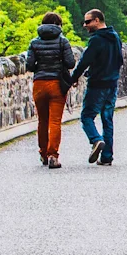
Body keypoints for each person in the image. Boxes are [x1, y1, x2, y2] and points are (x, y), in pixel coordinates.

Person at [24, 12, 77, 168]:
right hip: (56, 84)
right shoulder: (62, 41)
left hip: (39, 83)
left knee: (42, 121)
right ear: (58, 25)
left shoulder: (34, 43)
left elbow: (29, 66)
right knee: (55, 121)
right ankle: (53, 155)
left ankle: (43, 153)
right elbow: (70, 63)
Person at [73, 8, 122, 166]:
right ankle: (107, 156)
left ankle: (96, 140)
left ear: (97, 20)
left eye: (88, 22)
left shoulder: (96, 40)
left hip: (97, 85)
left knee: (87, 116)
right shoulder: (115, 37)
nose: (85, 25)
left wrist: (72, 79)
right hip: (112, 84)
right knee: (107, 119)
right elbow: (119, 60)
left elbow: (84, 61)